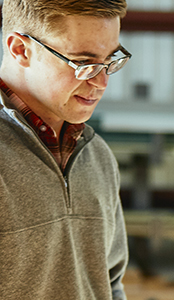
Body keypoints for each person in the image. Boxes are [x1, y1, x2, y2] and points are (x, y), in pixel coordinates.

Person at [0, 0, 130, 299]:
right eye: (84, 63)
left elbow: (110, 282)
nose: (102, 81)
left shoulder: (97, 156)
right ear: (20, 49)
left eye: (111, 60)